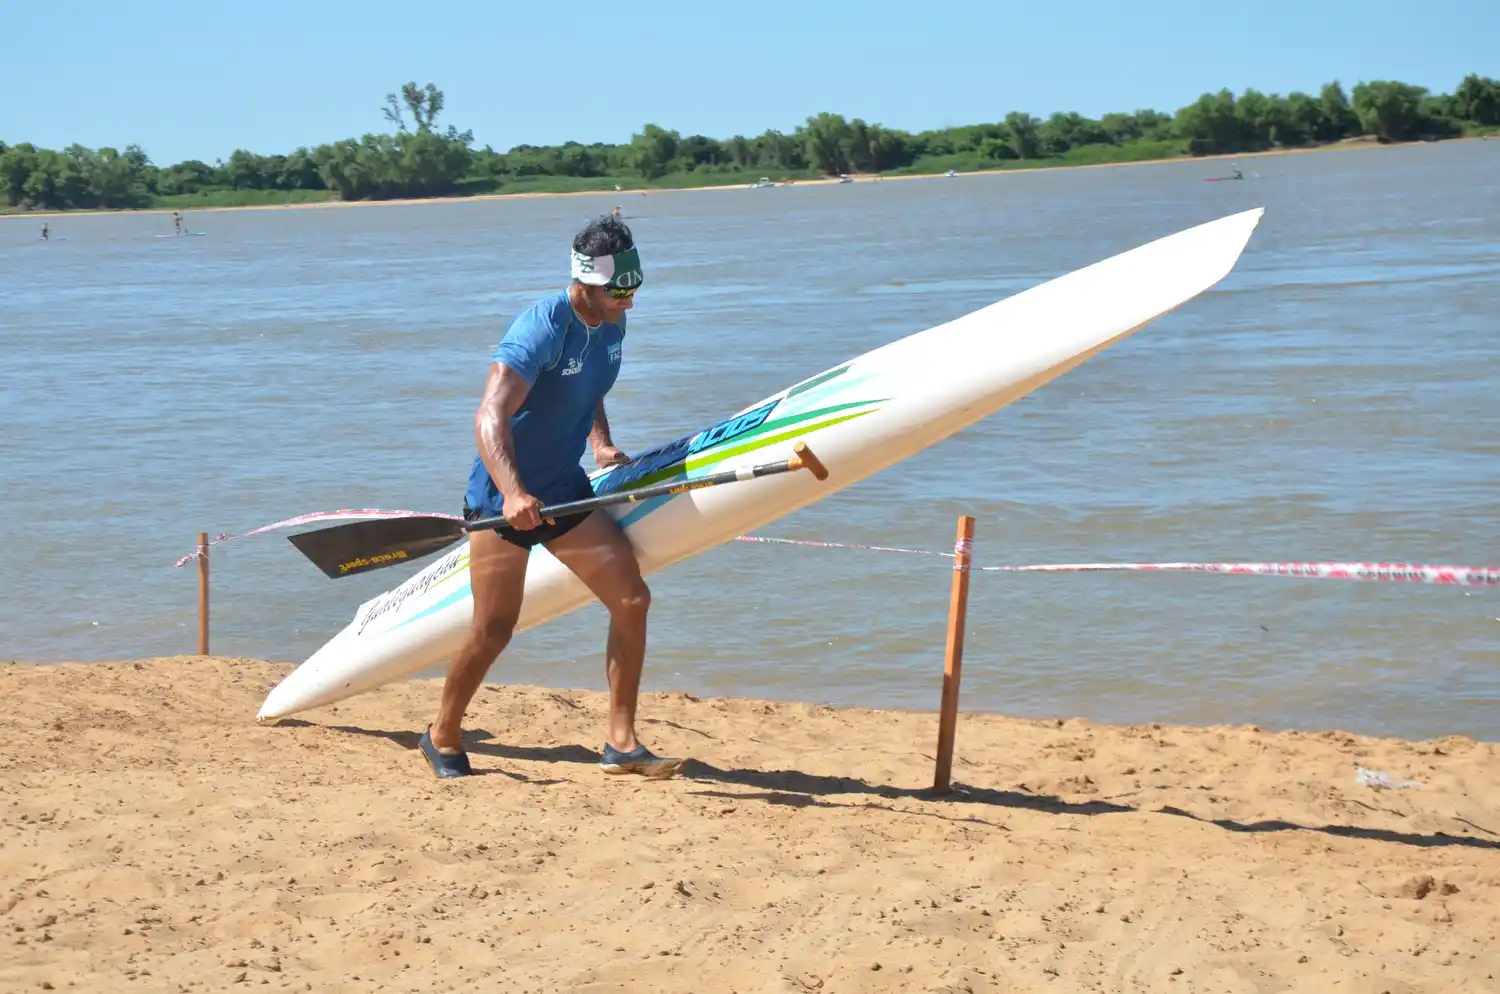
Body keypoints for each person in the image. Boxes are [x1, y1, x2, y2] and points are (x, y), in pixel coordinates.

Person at [417, 214, 682, 781]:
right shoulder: (541, 328)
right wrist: (513, 493)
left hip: (564, 489)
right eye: (619, 291)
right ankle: (441, 732)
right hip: (500, 500)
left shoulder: (612, 322)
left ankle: (621, 742)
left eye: (635, 290)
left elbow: (588, 388)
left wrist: (602, 443)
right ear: (585, 282)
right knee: (494, 629)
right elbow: (490, 414)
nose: (629, 303)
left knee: (632, 599)